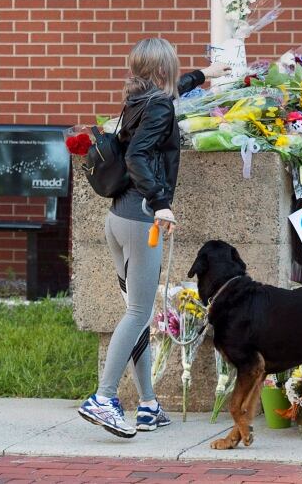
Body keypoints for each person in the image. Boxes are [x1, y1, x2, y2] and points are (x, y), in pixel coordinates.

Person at [78, 38, 230, 438]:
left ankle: (147, 405)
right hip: (142, 219)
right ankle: (104, 398)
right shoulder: (159, 105)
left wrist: (204, 76)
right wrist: (161, 202)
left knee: (139, 313)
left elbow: (169, 97)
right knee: (139, 315)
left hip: (118, 220)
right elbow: (138, 157)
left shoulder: (140, 99)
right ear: (164, 70)